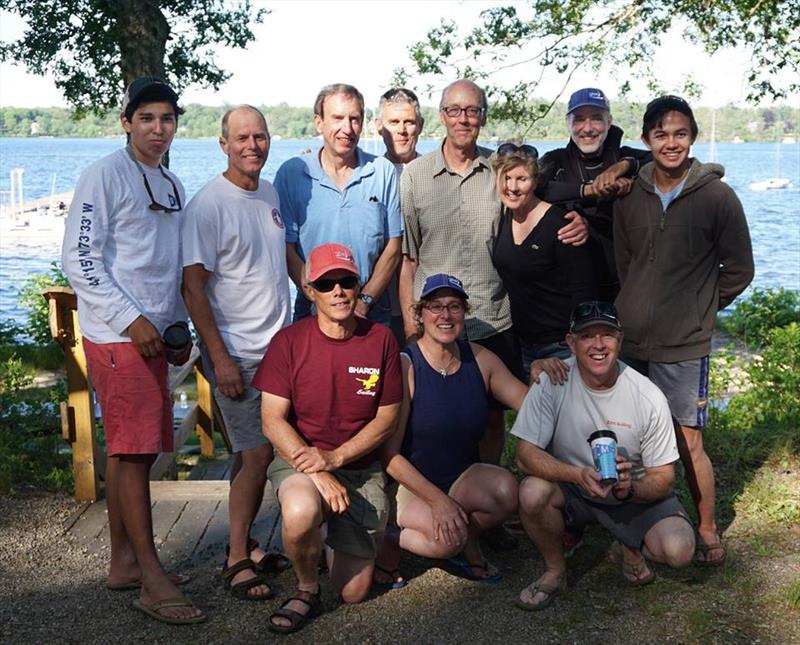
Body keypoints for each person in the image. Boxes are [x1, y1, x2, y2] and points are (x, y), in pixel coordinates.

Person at [399, 79, 587, 551]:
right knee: (434, 419)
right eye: (454, 110)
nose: (464, 119)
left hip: (495, 319)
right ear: (440, 115)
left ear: (483, 116)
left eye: (473, 110)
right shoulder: (416, 176)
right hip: (437, 321)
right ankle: (433, 506)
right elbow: (408, 256)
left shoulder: (497, 172)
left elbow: (538, 195)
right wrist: (408, 318)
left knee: (490, 420)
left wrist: (577, 211)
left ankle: (494, 514)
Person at [62, 77, 204, 624]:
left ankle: (124, 562)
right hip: (118, 336)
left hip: (156, 337)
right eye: (146, 118)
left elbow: (167, 267)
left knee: (129, 451)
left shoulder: (169, 184)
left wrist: (176, 327)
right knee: (138, 452)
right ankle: (151, 577)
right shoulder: (103, 175)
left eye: (166, 119)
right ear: (127, 122)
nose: (157, 128)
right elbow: (81, 261)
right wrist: (132, 320)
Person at [614, 95, 754, 567]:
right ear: (647, 139)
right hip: (632, 340)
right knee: (629, 436)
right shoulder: (630, 192)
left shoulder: (717, 196)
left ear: (691, 137)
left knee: (686, 437)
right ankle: (631, 526)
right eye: (661, 134)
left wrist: (702, 308)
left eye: (680, 133)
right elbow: (624, 260)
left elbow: (740, 269)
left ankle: (708, 524)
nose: (670, 143)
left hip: (684, 342)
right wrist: (631, 304)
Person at [255, 243, 402, 634]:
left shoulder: (382, 339)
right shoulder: (288, 342)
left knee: (353, 592)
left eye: (346, 281)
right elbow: (271, 420)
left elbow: (387, 418)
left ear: (358, 286)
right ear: (310, 291)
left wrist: (336, 459)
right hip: (300, 459)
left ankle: (323, 542)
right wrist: (318, 470)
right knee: (301, 509)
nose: (337, 291)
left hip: (356, 467)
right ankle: (306, 587)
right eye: (325, 284)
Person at [512, 301, 696, 611]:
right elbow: (524, 455)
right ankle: (555, 571)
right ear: (571, 343)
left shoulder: (647, 395)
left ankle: (628, 542)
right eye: (587, 336)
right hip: (575, 489)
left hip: (632, 492)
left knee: (680, 551)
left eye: (607, 335)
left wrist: (631, 489)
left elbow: (664, 478)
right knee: (531, 492)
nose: (598, 345)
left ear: (620, 340)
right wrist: (576, 475)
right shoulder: (552, 380)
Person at [181, 105, 291, 601]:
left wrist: (306, 277)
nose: (253, 145)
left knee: (254, 458)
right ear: (223, 143)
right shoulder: (209, 204)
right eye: (242, 137)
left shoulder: (267, 192)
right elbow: (192, 287)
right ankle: (235, 561)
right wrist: (218, 357)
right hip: (239, 355)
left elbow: (278, 252)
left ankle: (246, 543)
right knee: (256, 453)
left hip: (279, 351)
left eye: (260, 136)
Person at [377, 274, 529, 585]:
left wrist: (545, 373)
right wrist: (437, 500)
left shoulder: (480, 358)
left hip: (463, 477)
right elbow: (389, 456)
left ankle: (465, 536)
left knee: (507, 492)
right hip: (413, 485)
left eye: (454, 307)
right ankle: (390, 536)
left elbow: (531, 405)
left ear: (464, 313)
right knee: (447, 542)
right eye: (435, 307)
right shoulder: (407, 365)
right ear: (419, 314)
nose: (445, 316)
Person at [274, 83, 402, 326]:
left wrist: (363, 301)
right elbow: (286, 249)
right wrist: (317, 298)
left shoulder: (382, 172)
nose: (347, 128)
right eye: (338, 118)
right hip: (313, 307)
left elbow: (393, 246)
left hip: (372, 307)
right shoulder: (292, 173)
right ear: (319, 122)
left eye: (354, 119)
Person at [491, 142, 598, 374]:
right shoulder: (504, 218)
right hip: (523, 343)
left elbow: (584, 289)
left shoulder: (562, 224)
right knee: (532, 409)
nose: (513, 187)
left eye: (522, 179)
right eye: (506, 178)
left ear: (536, 182)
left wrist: (579, 343)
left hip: (561, 344)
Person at [537, 88, 652, 300]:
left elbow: (670, 163)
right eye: (579, 119)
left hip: (626, 286)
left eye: (597, 119)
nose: (588, 128)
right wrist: (589, 190)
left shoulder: (626, 157)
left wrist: (623, 167)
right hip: (572, 288)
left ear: (609, 122)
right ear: (568, 123)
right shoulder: (555, 161)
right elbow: (535, 189)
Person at [374, 86, 424, 343]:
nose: (402, 130)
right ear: (378, 125)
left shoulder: (432, 174)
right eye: (394, 122)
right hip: (379, 307)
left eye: (409, 122)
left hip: (428, 306)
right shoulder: (367, 175)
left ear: (421, 125)